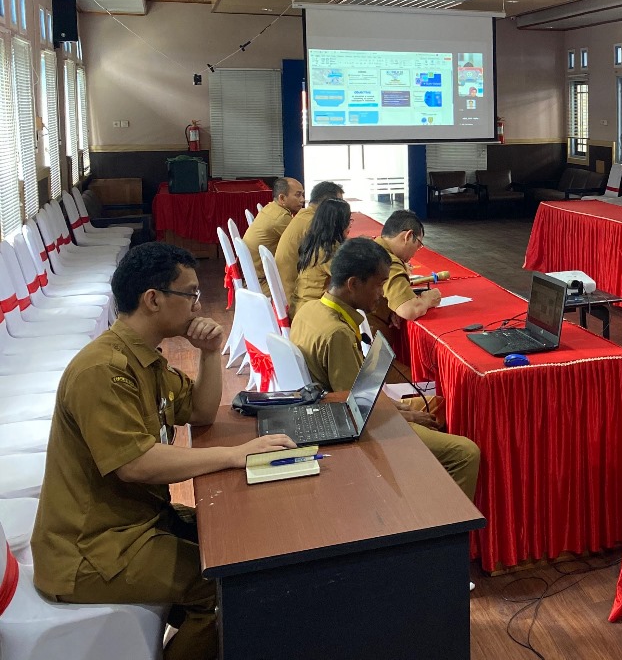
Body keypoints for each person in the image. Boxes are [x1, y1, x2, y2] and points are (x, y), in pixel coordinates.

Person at [31, 243, 295, 660]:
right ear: (153, 299)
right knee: (218, 585)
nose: (197, 304)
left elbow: (201, 412)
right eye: (189, 294)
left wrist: (209, 354)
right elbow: (136, 465)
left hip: (135, 524)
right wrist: (234, 454)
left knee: (238, 540)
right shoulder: (103, 370)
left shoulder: (142, 359)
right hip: (91, 551)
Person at [290, 237, 481, 499]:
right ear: (353, 284)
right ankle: (442, 527)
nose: (382, 294)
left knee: (433, 405)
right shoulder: (338, 334)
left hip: (340, 408)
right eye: (379, 285)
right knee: (465, 452)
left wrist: (396, 408)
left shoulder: (310, 309)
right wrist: (402, 416)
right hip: (352, 425)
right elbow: (356, 410)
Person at [367, 209, 443, 345]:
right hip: (370, 342)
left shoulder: (370, 246)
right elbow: (409, 310)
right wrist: (427, 300)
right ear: (407, 236)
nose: (415, 252)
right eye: (418, 245)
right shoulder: (388, 261)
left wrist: (394, 307)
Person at [274, 180, 344, 311]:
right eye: (339, 203)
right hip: (297, 299)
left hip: (290, 290)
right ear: (328, 204)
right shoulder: (313, 223)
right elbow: (339, 262)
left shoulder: (305, 215)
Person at [291, 197, 353, 313]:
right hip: (312, 313)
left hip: (301, 306)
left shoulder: (315, 241)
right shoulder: (327, 252)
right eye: (348, 220)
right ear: (338, 223)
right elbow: (351, 277)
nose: (350, 225)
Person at [243, 176, 305, 283]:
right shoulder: (281, 218)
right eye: (298, 195)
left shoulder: (271, 207)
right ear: (282, 198)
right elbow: (304, 245)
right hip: (264, 281)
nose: (302, 199)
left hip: (254, 273)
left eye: (302, 194)